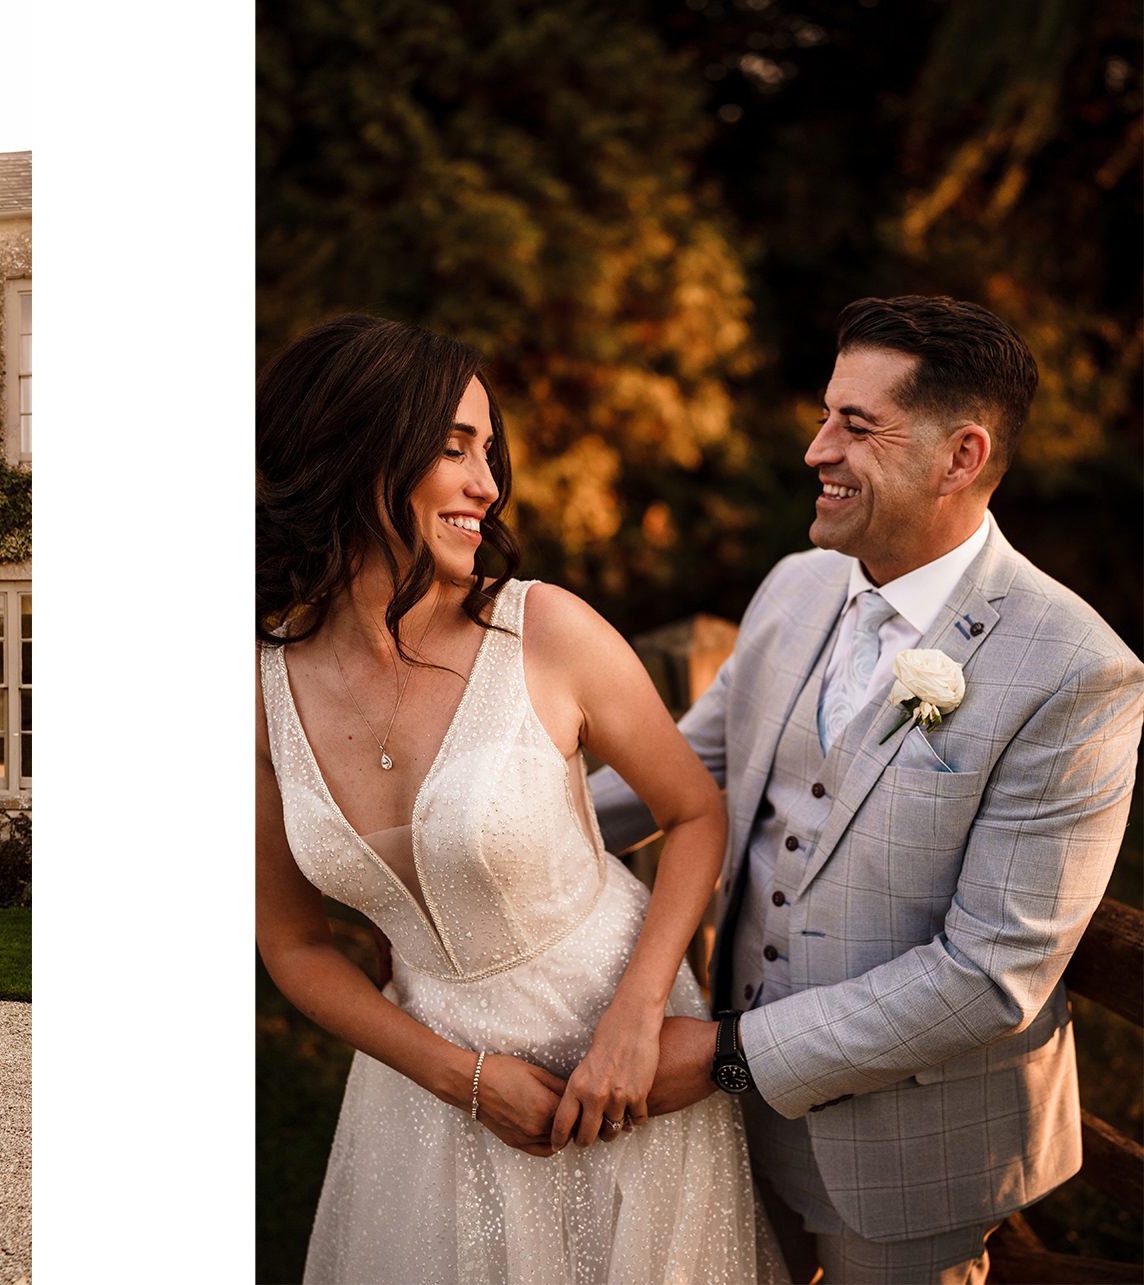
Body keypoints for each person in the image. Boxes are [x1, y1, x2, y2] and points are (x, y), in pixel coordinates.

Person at [593, 295, 1144, 1284]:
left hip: (912, 1153)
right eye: (822, 416)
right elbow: (682, 773)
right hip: (722, 1120)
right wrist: (460, 837)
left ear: (959, 456)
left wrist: (723, 1054)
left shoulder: (1076, 671)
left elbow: (989, 975)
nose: (814, 449)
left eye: (853, 425)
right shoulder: (796, 584)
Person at [256, 315, 783, 1283]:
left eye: (487, 451)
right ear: (352, 449)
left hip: (616, 1072)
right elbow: (291, 944)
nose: (487, 485)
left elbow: (694, 812)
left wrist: (635, 1019)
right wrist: (455, 1077)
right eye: (453, 448)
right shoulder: (253, 694)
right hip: (421, 1095)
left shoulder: (543, 629)